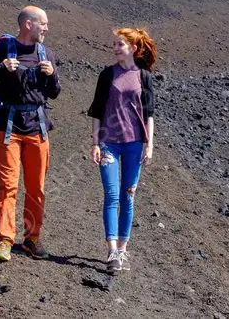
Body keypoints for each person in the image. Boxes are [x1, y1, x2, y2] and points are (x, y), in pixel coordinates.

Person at [0, 6, 60, 262]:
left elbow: (55, 92)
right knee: (8, 186)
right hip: (8, 127)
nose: (46, 28)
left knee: (36, 188)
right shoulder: (2, 51)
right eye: (43, 23)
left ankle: (32, 238)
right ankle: (4, 240)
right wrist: (1, 68)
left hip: (37, 127)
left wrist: (52, 75)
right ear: (27, 24)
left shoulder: (46, 54)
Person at [86, 27, 156, 273]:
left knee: (128, 196)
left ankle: (123, 250)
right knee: (112, 195)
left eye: (120, 45)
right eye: (114, 44)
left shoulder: (143, 76)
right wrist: (95, 143)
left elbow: (149, 114)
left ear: (133, 49)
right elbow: (96, 110)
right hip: (109, 143)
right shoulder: (107, 75)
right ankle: (112, 250)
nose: (115, 48)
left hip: (135, 144)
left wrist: (150, 145)